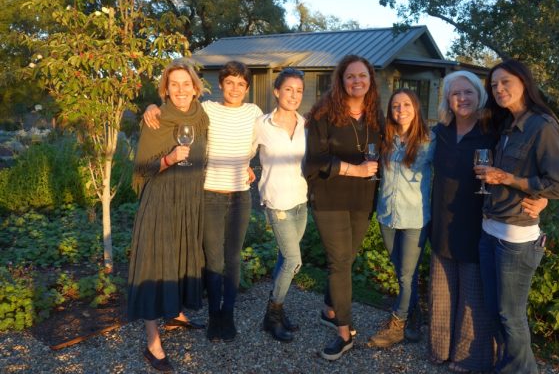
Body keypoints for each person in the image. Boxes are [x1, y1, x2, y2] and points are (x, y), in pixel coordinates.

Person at [429, 70, 548, 373]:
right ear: (447, 99)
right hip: (442, 220)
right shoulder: (440, 132)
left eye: (468, 92)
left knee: (473, 297)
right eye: (456, 93)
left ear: (479, 96)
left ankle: (471, 357)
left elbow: (528, 165)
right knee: (443, 291)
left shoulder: (493, 130)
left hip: (479, 221)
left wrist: (542, 196)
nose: (462, 98)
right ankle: (440, 350)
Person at [143, 61, 262, 343]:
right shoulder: (206, 110)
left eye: (241, 84)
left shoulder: (254, 113)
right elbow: (176, 112)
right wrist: (152, 107)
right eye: (229, 82)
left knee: (233, 259)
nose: (235, 89)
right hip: (209, 193)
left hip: (239, 196)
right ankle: (213, 315)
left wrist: (249, 164)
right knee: (213, 259)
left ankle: (227, 315)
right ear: (220, 85)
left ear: (247, 88)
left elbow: (265, 140)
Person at [475, 59, 559, 374]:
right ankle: (509, 366)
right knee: (495, 310)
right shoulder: (505, 125)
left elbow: (557, 185)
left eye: (505, 82)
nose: (499, 89)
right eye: (494, 85)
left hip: (516, 238)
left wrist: (507, 179)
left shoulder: (542, 126)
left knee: (510, 315)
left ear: (524, 83)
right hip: (490, 231)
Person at [127, 60, 209, 373]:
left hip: (189, 202)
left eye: (185, 83)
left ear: (195, 86)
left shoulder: (203, 116)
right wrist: (170, 158)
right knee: (155, 264)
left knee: (179, 261)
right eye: (173, 84)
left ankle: (175, 312)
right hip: (161, 203)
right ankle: (152, 343)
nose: (180, 90)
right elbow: (141, 169)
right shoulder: (156, 120)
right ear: (165, 88)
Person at [304, 54, 382, 360]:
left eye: (362, 76)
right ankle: (344, 331)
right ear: (341, 80)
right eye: (350, 76)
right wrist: (356, 170)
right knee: (339, 263)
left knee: (345, 260)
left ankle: (329, 308)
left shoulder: (375, 116)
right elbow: (314, 161)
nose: (357, 81)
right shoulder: (324, 114)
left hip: (362, 200)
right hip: (330, 199)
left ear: (370, 80)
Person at [368, 88, 434, 348]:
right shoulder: (385, 138)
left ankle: (396, 325)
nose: (401, 110)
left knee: (406, 276)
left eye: (406, 104)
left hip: (415, 219)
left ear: (416, 107)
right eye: (396, 106)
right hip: (387, 217)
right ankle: (415, 315)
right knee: (404, 272)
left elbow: (452, 170)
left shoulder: (430, 141)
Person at [252, 68, 307, 342]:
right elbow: (244, 151)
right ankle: (272, 315)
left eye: (299, 91)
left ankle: (275, 311)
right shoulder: (262, 124)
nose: (294, 95)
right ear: (277, 91)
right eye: (288, 89)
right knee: (294, 261)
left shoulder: (304, 125)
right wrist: (246, 169)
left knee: (285, 259)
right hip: (278, 203)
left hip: (301, 201)